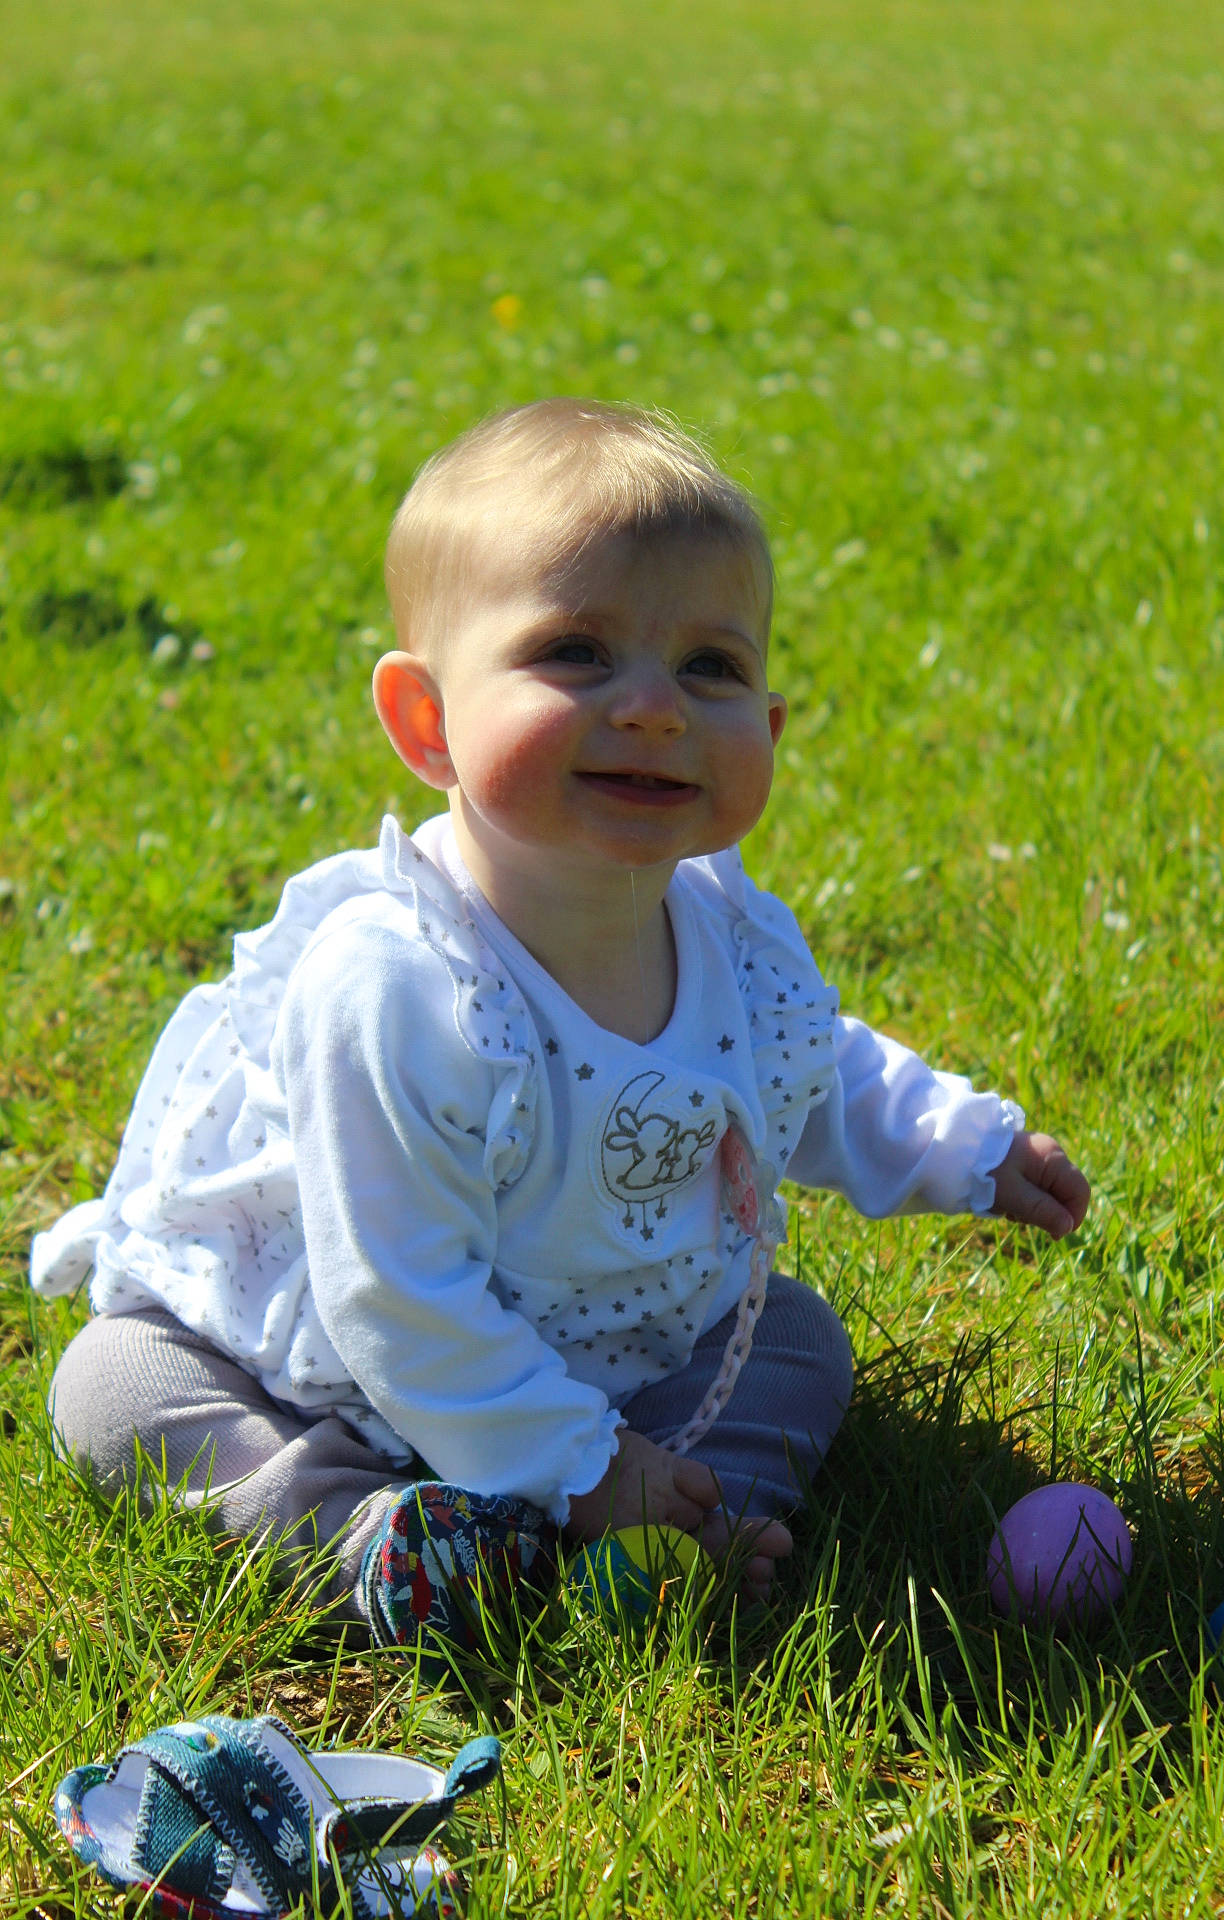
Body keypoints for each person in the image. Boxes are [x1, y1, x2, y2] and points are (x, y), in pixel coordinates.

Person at [31, 399, 1090, 1656]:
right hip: (347, 1359)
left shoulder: (724, 936)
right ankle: (361, 1535)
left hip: (607, 1355)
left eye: (712, 668)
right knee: (115, 1390)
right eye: (576, 653)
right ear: (426, 725)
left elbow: (809, 1068)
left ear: (769, 729)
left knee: (798, 1340)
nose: (651, 707)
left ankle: (679, 1526)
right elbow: (397, 1297)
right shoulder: (402, 983)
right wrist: (578, 1468)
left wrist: (962, 1148)